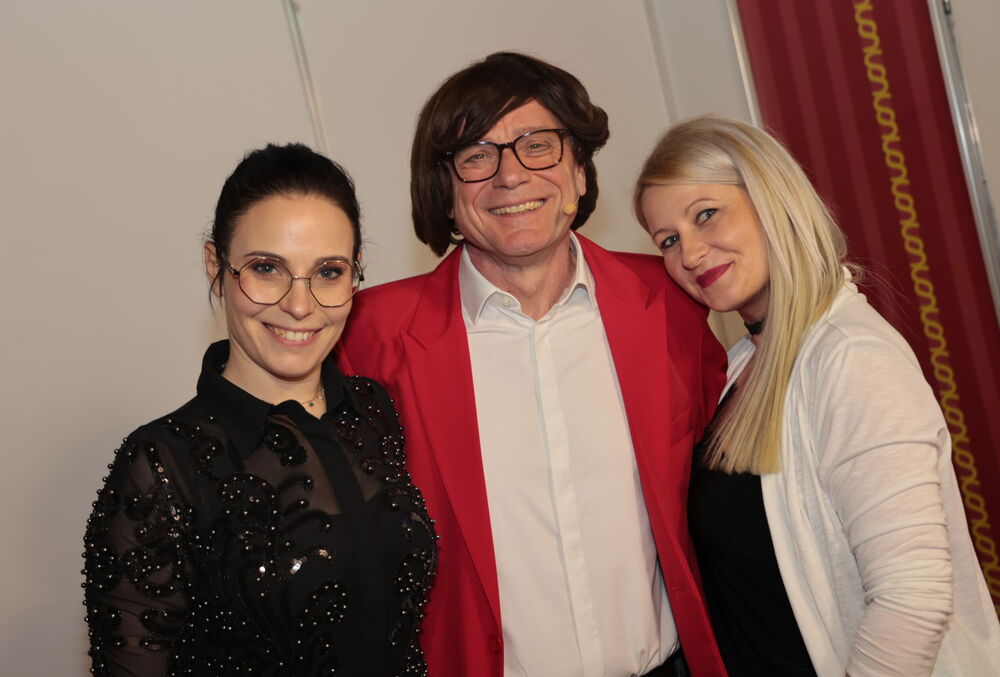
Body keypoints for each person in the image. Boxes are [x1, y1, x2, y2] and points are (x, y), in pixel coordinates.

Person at [337, 52, 728, 677]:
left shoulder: (672, 303)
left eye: (537, 145)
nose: (511, 176)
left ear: (579, 171)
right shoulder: (369, 338)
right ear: (445, 192)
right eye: (476, 156)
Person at [634, 114, 1000, 677]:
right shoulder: (742, 366)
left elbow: (913, 598)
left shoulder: (849, 357)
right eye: (669, 240)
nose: (691, 253)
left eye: (706, 215)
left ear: (771, 197)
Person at [82, 144, 437, 676]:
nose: (300, 304)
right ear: (215, 265)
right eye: (267, 268)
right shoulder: (161, 466)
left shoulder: (372, 411)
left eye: (329, 271)